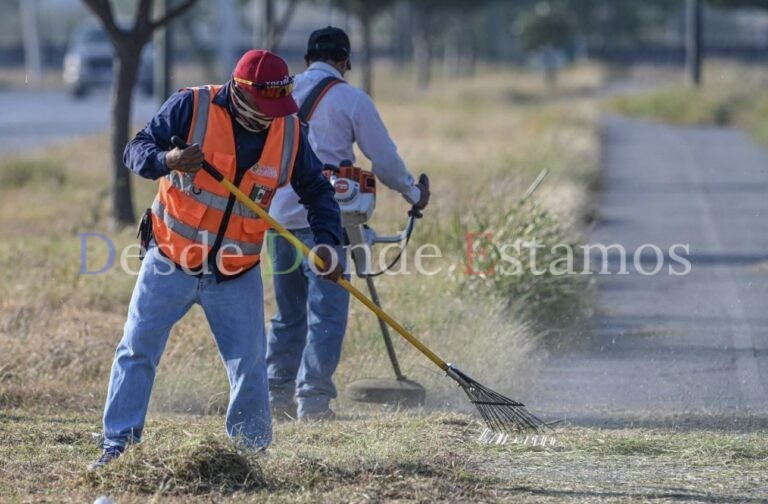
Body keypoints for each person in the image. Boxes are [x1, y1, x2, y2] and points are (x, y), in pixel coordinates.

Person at [89, 49, 343, 469]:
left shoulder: (290, 130)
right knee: (136, 349)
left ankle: (248, 457)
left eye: (277, 108)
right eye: (263, 108)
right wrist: (167, 160)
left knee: (249, 366)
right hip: (169, 259)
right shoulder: (192, 105)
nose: (270, 118)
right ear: (240, 91)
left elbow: (317, 191)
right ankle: (117, 445)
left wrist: (328, 242)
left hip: (235, 273)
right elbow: (136, 150)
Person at [266, 26, 430, 421]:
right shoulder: (351, 99)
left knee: (288, 315)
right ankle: (314, 403)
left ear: (307, 59)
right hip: (327, 225)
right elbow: (385, 161)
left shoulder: (279, 93)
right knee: (327, 313)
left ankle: (275, 397)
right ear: (345, 62)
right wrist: (413, 194)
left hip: (276, 221)